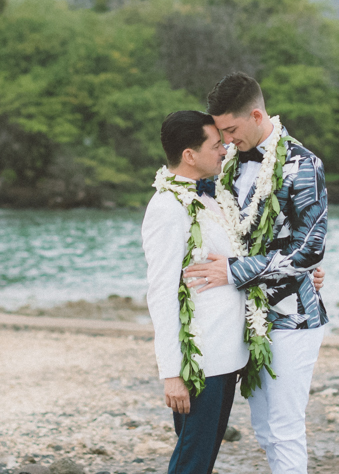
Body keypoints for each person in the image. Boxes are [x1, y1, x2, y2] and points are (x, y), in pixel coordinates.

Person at [185, 72, 328, 474]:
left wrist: (235, 271)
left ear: (256, 114)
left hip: (292, 316)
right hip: (247, 318)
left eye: (231, 129)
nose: (227, 140)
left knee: (283, 430)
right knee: (265, 430)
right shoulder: (227, 162)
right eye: (221, 133)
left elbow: (309, 250)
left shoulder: (303, 165)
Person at [142, 110, 247, 474]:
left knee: (202, 458)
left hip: (226, 353)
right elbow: (160, 292)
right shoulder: (167, 208)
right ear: (189, 154)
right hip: (199, 360)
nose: (224, 150)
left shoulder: (212, 197)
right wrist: (172, 372)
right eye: (216, 144)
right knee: (192, 460)